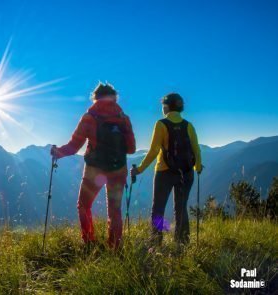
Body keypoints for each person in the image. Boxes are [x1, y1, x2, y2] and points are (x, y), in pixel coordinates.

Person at [51, 82, 136, 249]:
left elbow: (74, 146)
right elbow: (132, 149)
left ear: (95, 97)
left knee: (84, 206)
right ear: (114, 98)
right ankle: (115, 248)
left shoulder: (89, 117)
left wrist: (57, 152)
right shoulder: (124, 119)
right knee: (115, 210)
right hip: (118, 169)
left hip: (94, 170)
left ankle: (89, 243)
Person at [130, 93, 202, 247]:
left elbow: (154, 151)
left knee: (158, 209)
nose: (162, 109)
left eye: (163, 106)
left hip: (165, 172)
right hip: (187, 173)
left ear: (167, 107)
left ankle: (155, 244)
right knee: (181, 208)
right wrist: (198, 167)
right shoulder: (188, 125)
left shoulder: (161, 124)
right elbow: (196, 150)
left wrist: (140, 169)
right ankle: (182, 243)